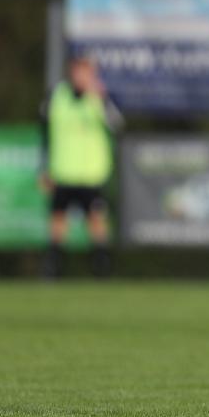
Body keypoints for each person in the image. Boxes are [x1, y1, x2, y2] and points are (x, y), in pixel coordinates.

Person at [40, 56, 122, 278]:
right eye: (77, 72)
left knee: (96, 221)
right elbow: (45, 132)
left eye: (85, 73)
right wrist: (44, 168)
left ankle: (101, 268)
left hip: (91, 174)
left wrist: (101, 97)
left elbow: (117, 124)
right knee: (57, 220)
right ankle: (53, 268)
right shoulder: (57, 96)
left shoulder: (100, 98)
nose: (80, 77)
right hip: (63, 172)